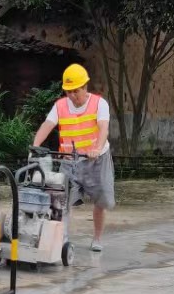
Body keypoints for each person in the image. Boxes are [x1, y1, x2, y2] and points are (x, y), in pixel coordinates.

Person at [32, 63, 114, 252]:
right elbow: (47, 124)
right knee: (61, 201)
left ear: (85, 87)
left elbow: (103, 128)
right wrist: (35, 146)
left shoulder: (99, 104)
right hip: (69, 161)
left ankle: (97, 238)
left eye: (75, 91)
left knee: (101, 201)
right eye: (68, 91)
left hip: (97, 159)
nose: (72, 95)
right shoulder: (60, 106)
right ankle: (62, 240)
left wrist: (97, 148)